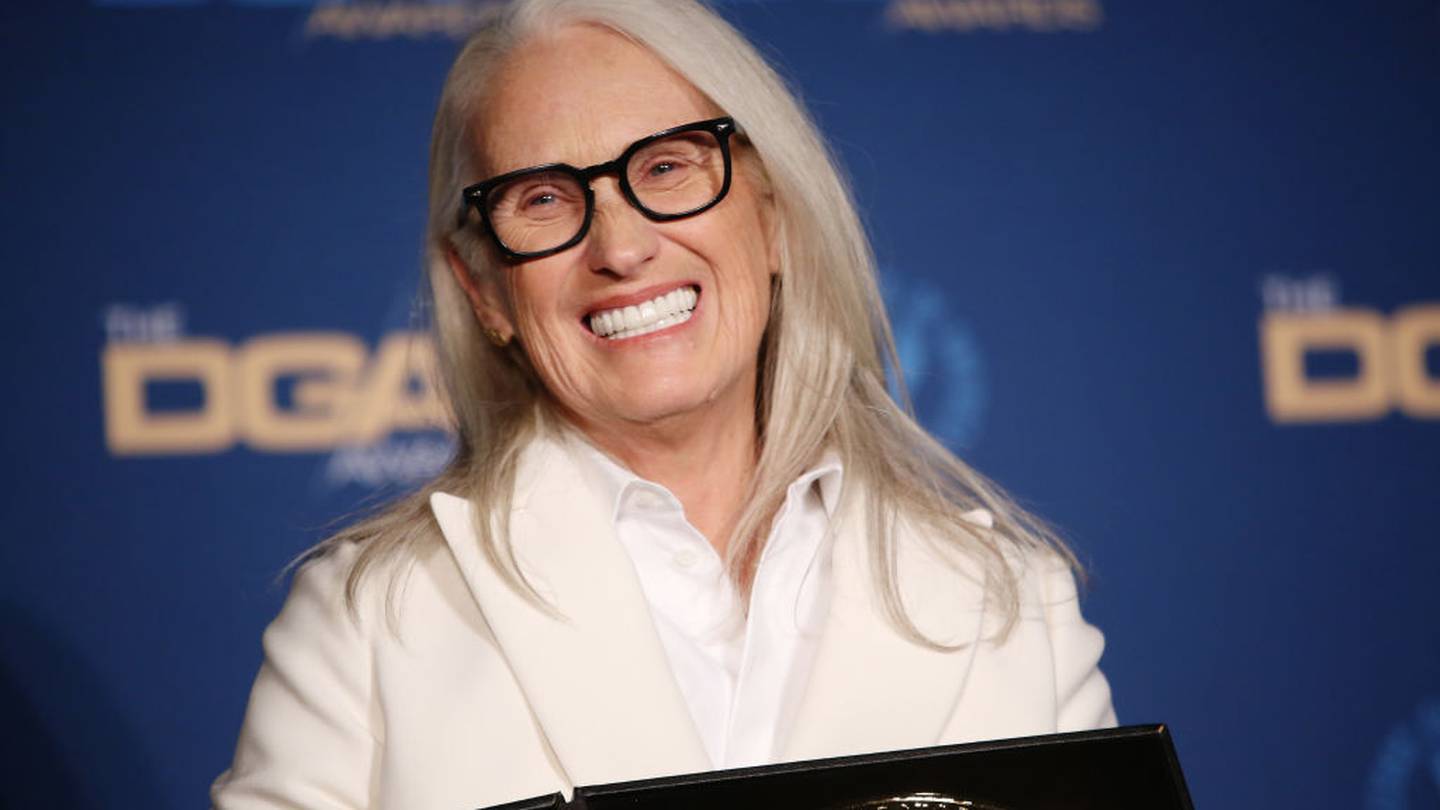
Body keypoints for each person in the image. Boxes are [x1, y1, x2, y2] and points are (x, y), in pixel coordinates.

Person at [211, 0, 1115, 807]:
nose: (621, 247)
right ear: (483, 289)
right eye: (543, 197)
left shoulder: (1013, 611)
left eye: (669, 167)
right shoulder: (367, 626)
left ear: (773, 215)